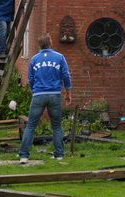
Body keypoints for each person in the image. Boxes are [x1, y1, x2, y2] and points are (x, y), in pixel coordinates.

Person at [18, 33, 72, 163]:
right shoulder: (60, 57)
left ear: (39, 45)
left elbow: (30, 79)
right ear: (50, 43)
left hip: (38, 95)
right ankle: (59, 154)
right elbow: (66, 75)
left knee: (30, 125)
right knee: (56, 126)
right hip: (54, 95)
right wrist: (68, 92)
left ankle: (24, 156)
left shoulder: (34, 59)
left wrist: (34, 90)